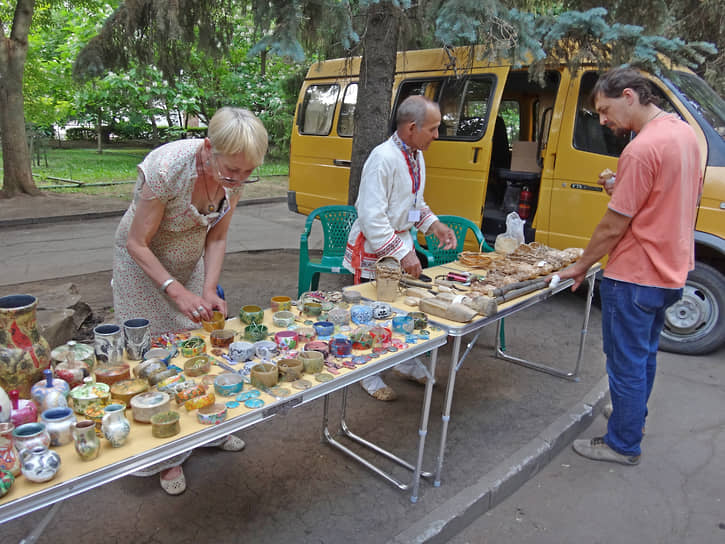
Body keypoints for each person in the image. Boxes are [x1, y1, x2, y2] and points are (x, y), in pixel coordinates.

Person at [112, 106, 268, 494]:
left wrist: (208, 289)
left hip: (189, 261)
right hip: (142, 267)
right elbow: (136, 242)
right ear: (209, 148)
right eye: (232, 171)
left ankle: (207, 426)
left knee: (199, 347)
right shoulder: (167, 168)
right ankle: (166, 456)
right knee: (156, 361)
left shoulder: (234, 173)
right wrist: (175, 290)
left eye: (248, 172)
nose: (239, 179)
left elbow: (216, 237)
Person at [557, 67, 702, 465]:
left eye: (605, 110)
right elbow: (668, 195)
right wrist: (621, 184)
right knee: (644, 354)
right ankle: (631, 417)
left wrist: (582, 264)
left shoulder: (640, 150)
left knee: (624, 361)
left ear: (629, 96)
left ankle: (622, 442)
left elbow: (613, 224)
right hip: (671, 269)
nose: (603, 120)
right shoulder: (683, 134)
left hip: (635, 274)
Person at [343, 95, 457, 401]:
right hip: (374, 249)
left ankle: (403, 361)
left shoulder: (415, 155)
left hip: (397, 245)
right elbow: (371, 217)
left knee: (401, 309)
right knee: (372, 313)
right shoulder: (383, 158)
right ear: (411, 128)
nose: (436, 135)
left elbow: (412, 207)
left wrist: (433, 225)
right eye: (432, 129)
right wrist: (402, 252)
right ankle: (368, 373)